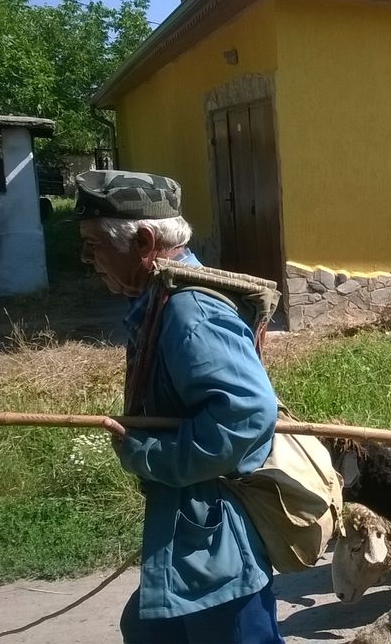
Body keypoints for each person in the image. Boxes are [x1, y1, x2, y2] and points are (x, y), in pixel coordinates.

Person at [74, 170, 284, 643]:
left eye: (92, 245)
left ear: (144, 240)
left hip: (215, 539)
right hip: (190, 529)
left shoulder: (191, 313)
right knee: (146, 628)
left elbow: (247, 413)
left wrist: (149, 455)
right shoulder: (162, 299)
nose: (88, 260)